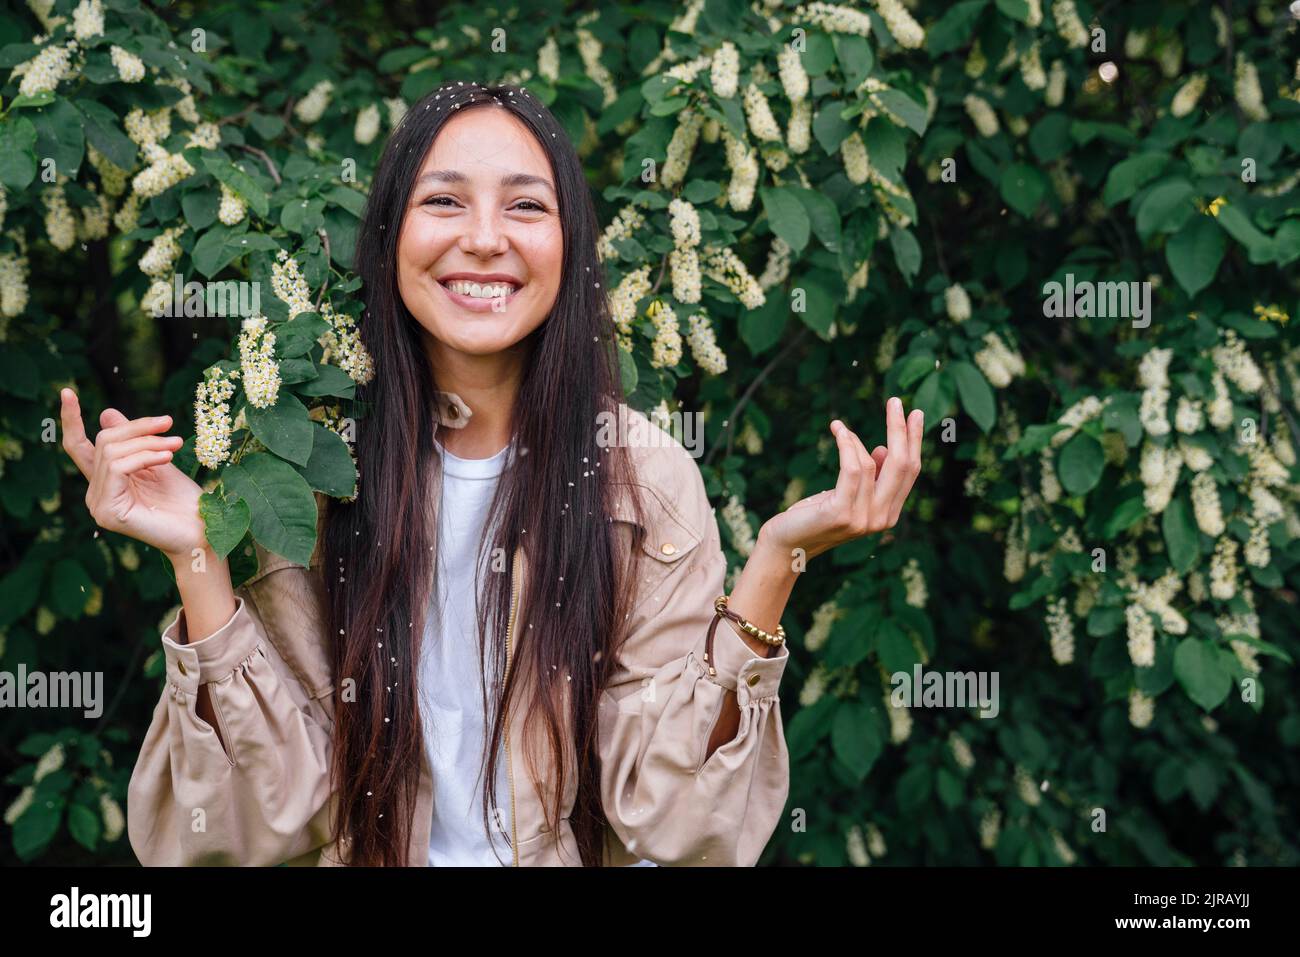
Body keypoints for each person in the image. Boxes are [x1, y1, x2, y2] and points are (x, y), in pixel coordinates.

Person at [58, 82, 924, 866]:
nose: (482, 239)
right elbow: (264, 822)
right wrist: (195, 555)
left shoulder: (644, 478)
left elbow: (678, 823)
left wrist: (774, 562)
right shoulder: (305, 477)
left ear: (570, 243)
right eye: (443, 201)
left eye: (525, 206)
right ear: (391, 234)